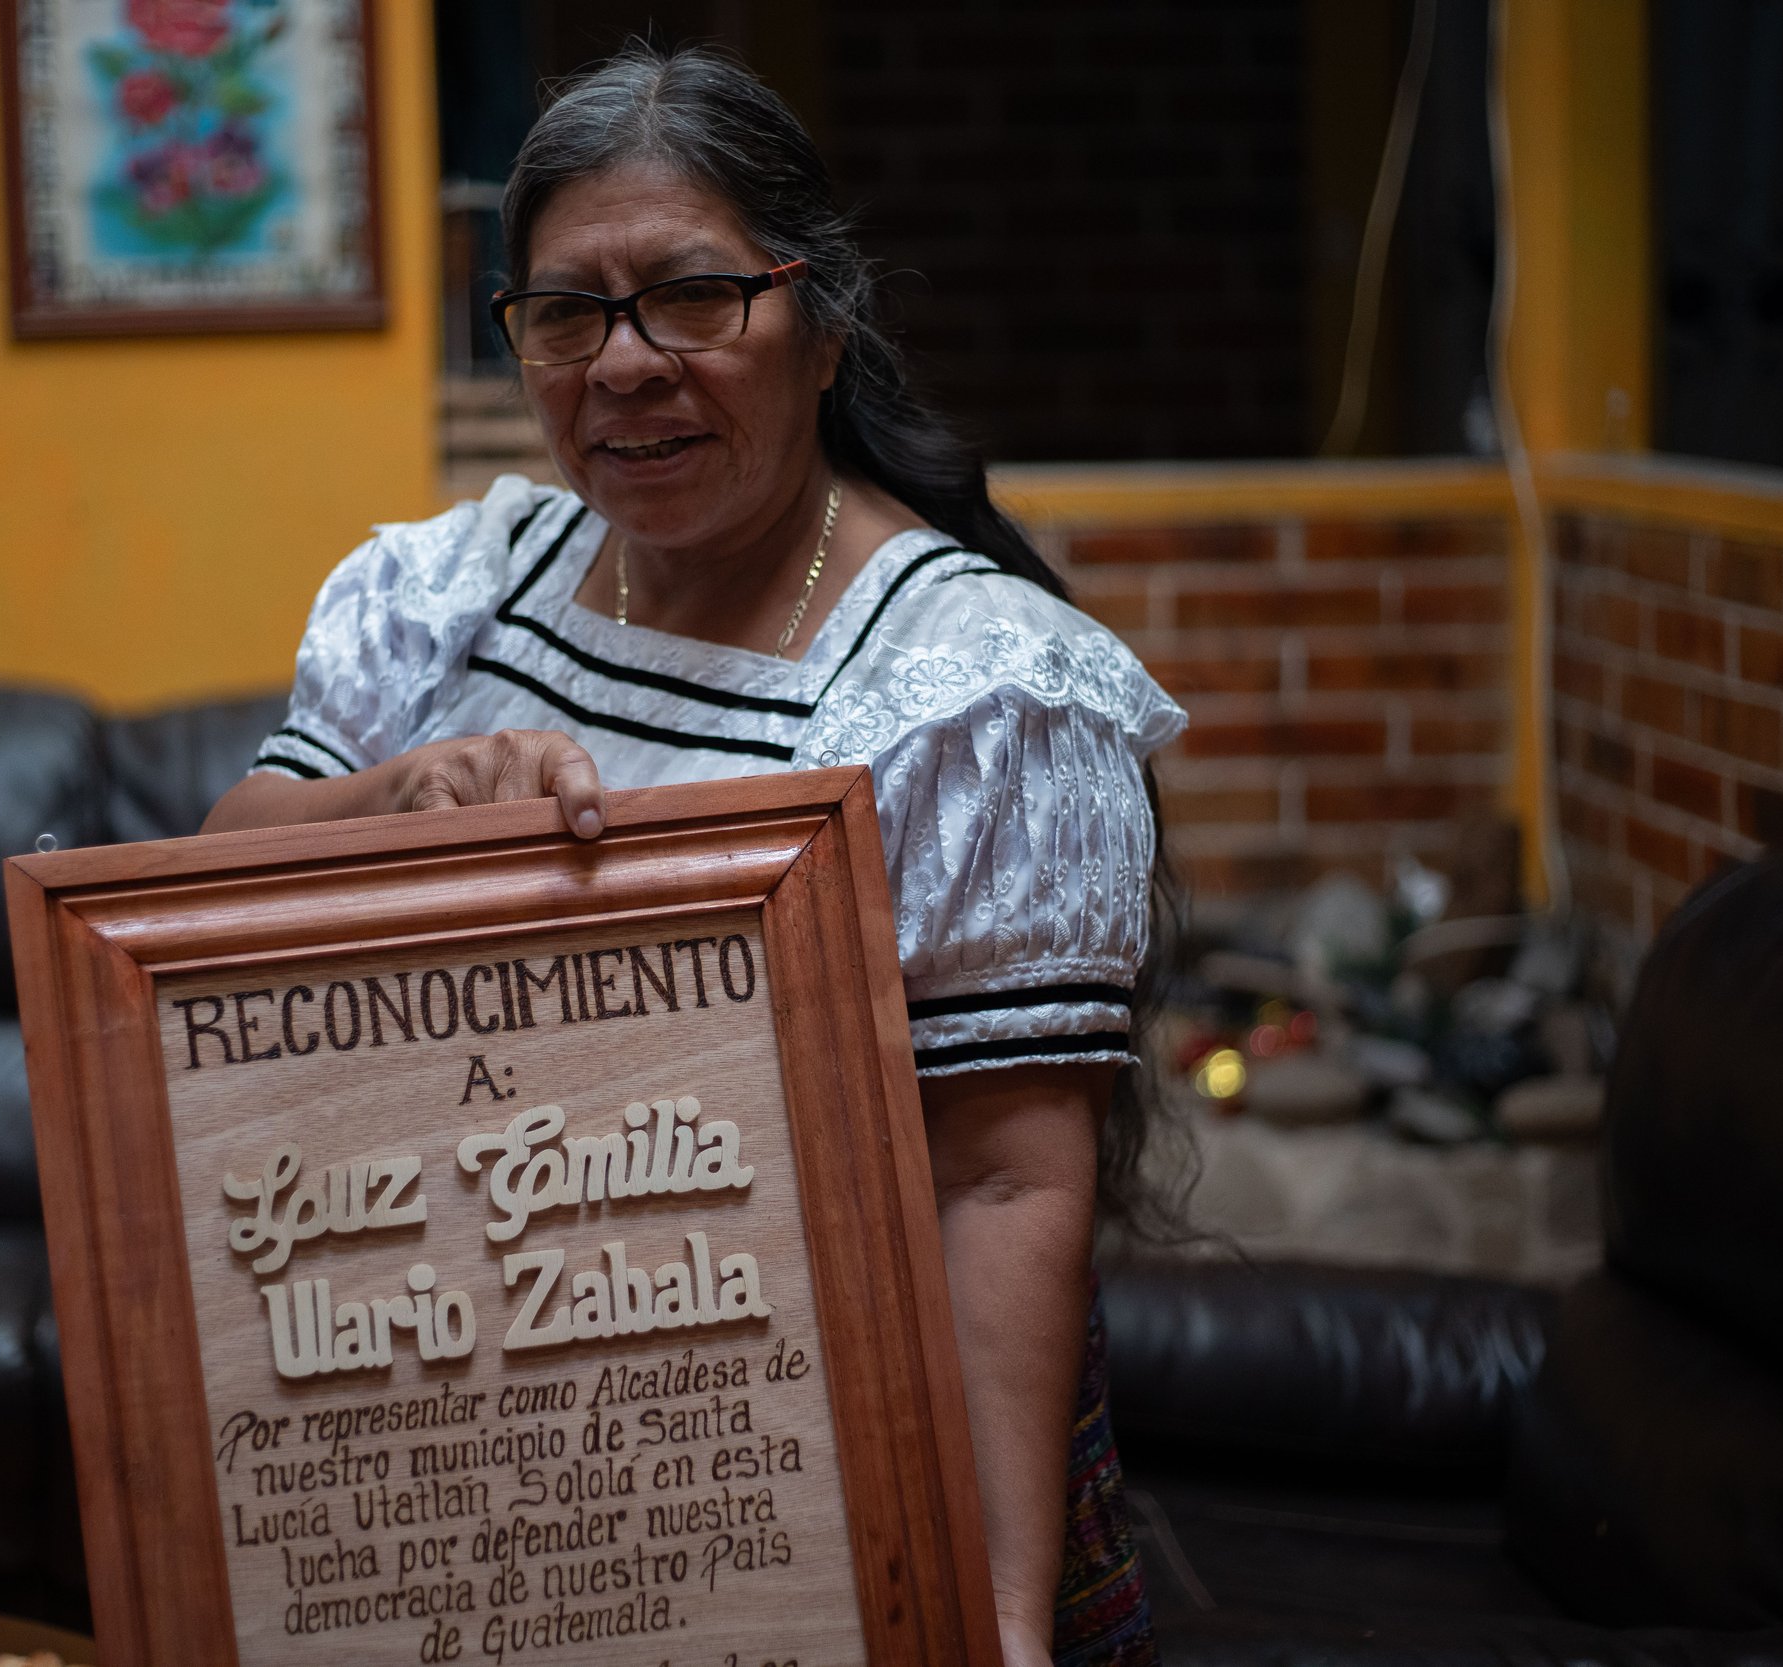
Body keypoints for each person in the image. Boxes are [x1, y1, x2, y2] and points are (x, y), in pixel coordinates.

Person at [207, 45, 1184, 1667]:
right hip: (457, 1430)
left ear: (822, 322)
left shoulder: (964, 691)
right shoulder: (453, 597)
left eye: (692, 299)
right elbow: (215, 879)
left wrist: (995, 1622)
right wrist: (396, 801)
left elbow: (999, 1179)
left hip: (801, 1477)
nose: (625, 364)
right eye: (567, 311)